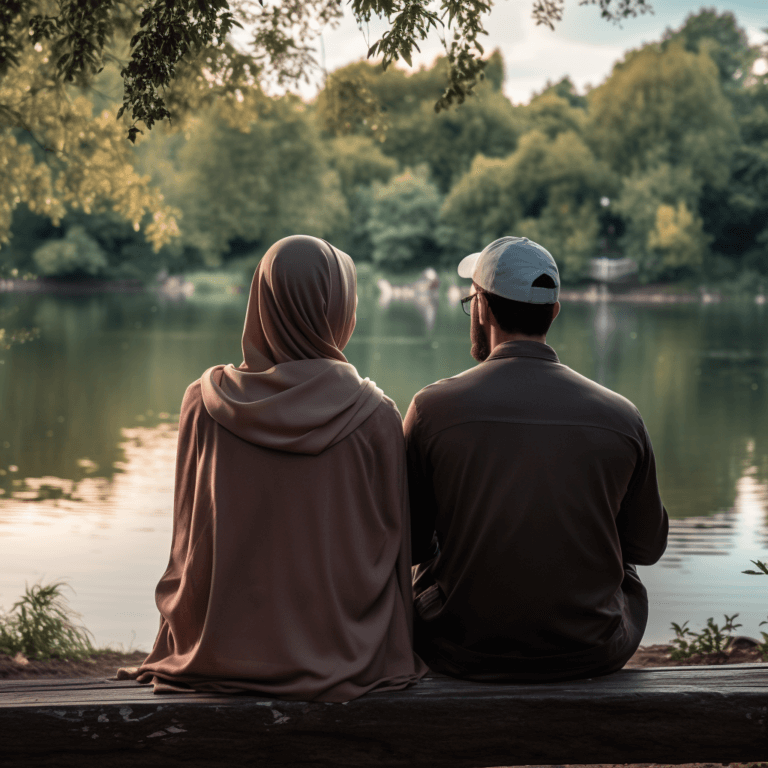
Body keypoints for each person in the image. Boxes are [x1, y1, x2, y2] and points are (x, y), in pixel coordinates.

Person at [125, 235, 427, 700]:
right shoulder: (376, 416)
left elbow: (187, 547)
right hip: (345, 653)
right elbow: (396, 551)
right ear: (335, 312)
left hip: (217, 651)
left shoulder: (204, 404)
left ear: (261, 302)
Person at [404, 236, 669, 682]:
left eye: (471, 301)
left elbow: (409, 543)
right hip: (591, 651)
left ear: (483, 308)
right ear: (555, 312)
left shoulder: (431, 409)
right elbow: (648, 546)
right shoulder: (622, 416)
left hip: (459, 651)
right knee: (622, 558)